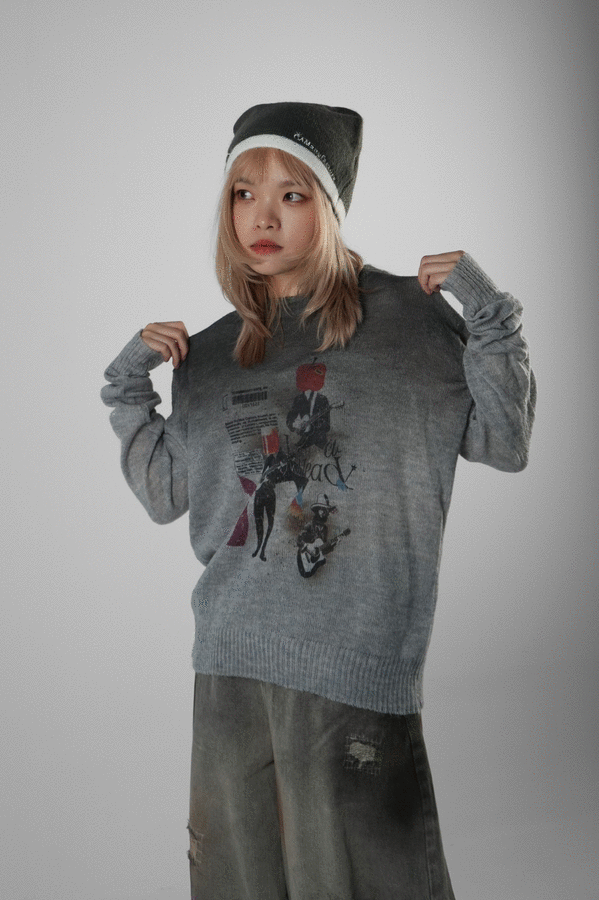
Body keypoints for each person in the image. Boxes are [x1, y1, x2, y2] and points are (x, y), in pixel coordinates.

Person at [101, 102, 536, 900]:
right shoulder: (210, 353)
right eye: (243, 192)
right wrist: (129, 391)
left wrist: (488, 315)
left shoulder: (408, 319)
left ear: (330, 206)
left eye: (291, 193)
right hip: (229, 668)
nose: (261, 216)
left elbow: (503, 441)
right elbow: (166, 495)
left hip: (355, 671)